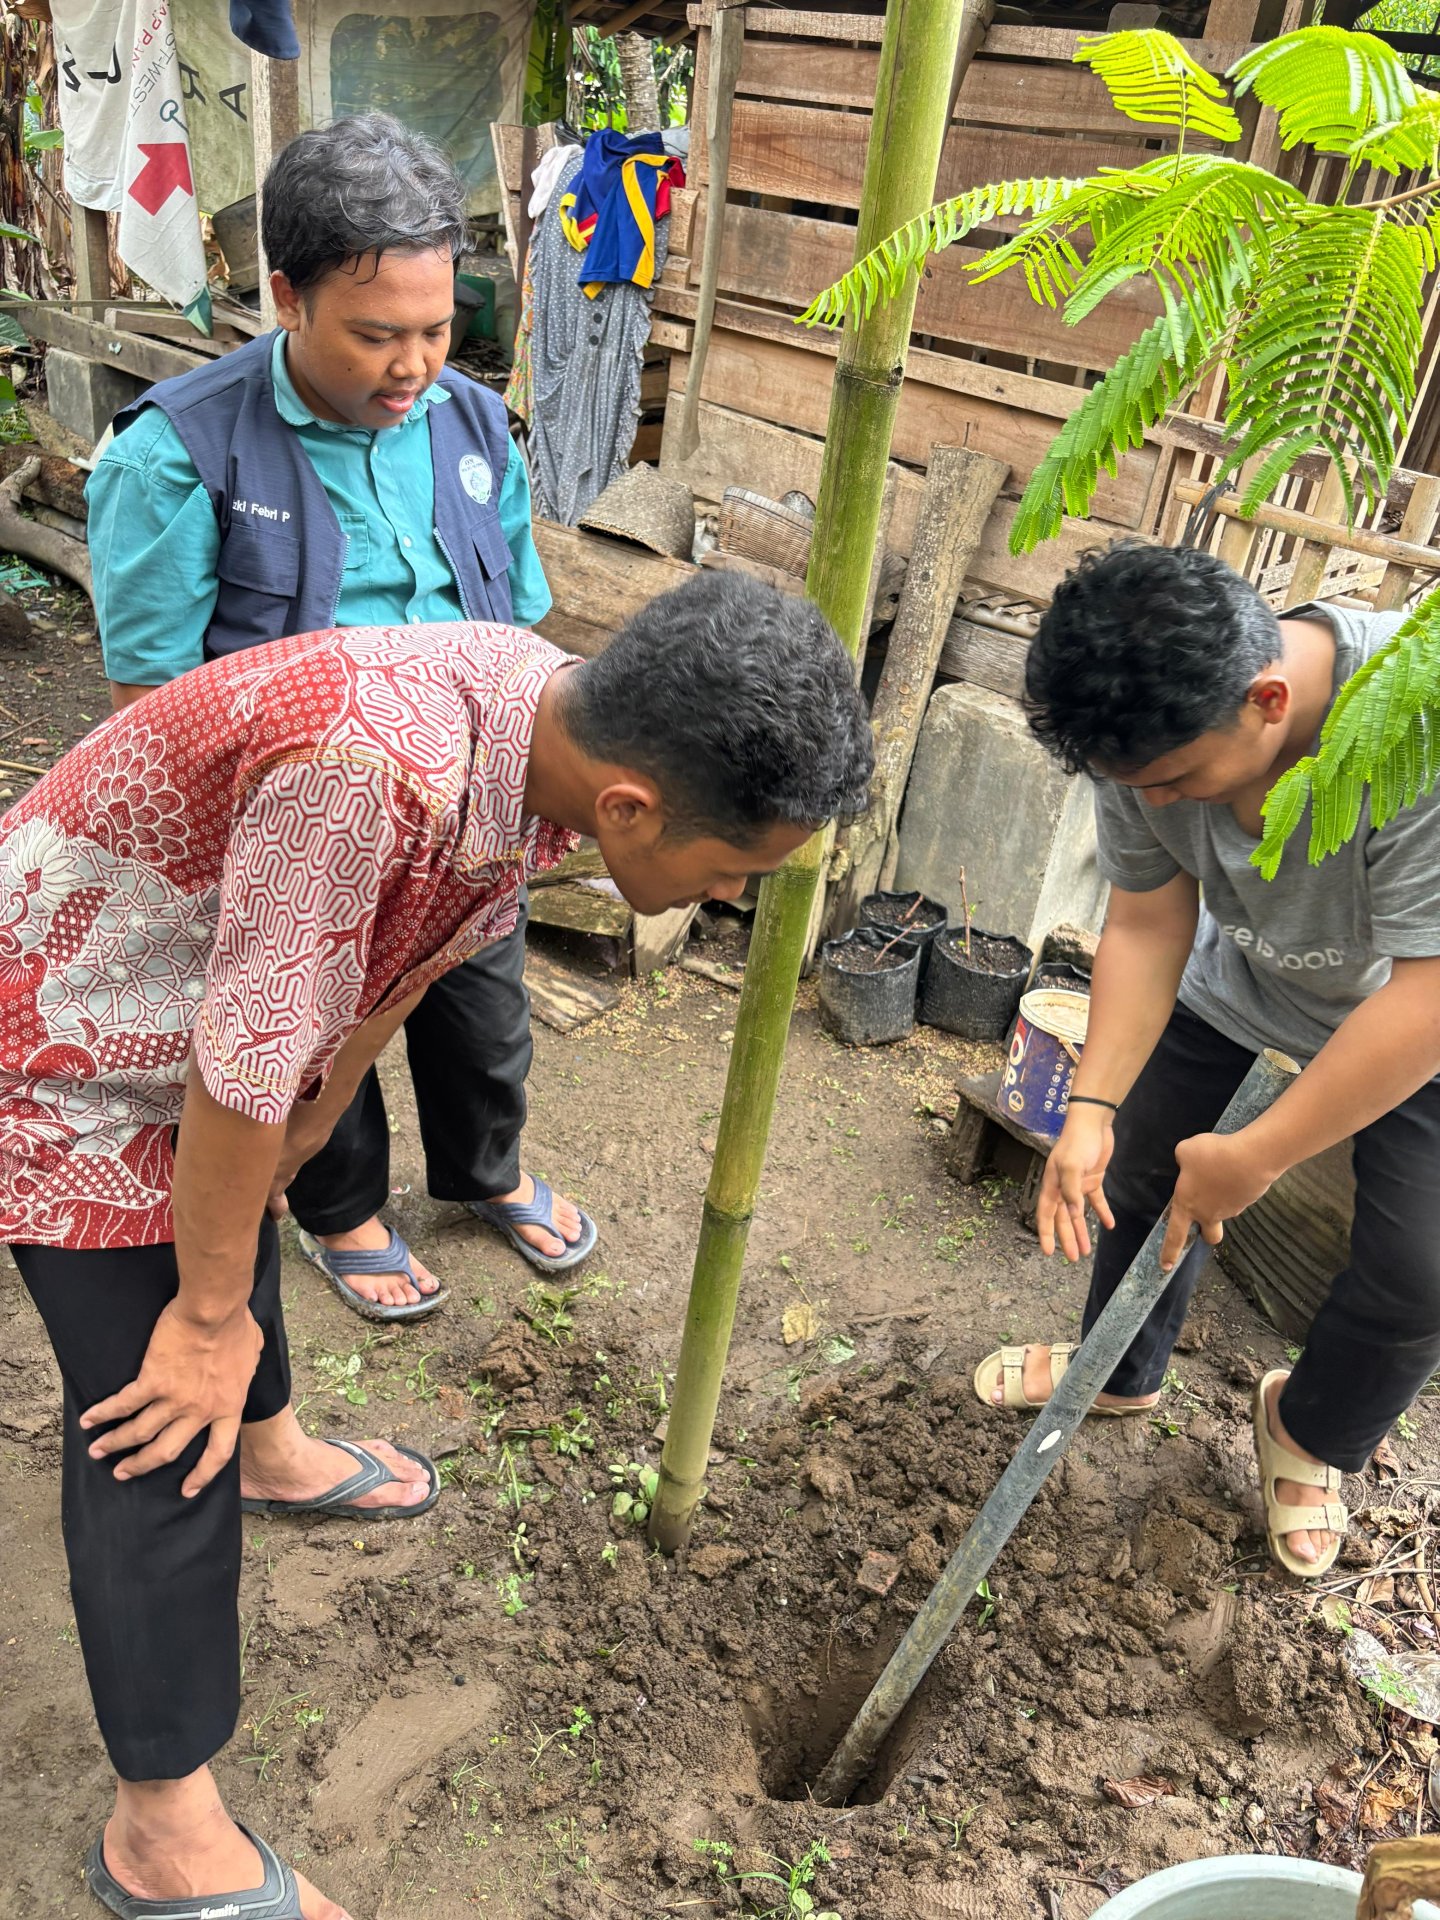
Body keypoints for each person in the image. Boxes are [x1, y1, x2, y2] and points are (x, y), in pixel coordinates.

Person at [0, 571, 874, 1920]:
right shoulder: (373, 769)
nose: (740, 896)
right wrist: (210, 1314)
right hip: (67, 1035)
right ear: (637, 807)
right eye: (739, 872)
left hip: (202, 1014)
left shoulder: (550, 721)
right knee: (163, 1399)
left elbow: (390, 962)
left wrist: (322, 1101)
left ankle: (277, 1453)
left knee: (232, 1235)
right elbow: (236, 1070)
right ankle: (160, 1833)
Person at [88, 110, 590, 1323]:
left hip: (471, 801)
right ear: (285, 296)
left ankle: (487, 1172)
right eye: (376, 336)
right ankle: (341, 1206)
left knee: (484, 1000)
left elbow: (519, 613)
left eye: (434, 331)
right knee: (314, 1024)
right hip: (305, 821)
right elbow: (151, 709)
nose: (413, 366)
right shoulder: (178, 455)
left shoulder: (470, 425)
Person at [973, 541, 1440, 1580]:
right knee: (1137, 1162)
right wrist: (1090, 1106)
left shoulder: (1421, 730)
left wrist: (1261, 1152)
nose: (1164, 805)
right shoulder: (1147, 742)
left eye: (1178, 782)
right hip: (1250, 982)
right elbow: (1145, 918)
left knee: (1421, 1276)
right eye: (1141, 788)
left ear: (1269, 699)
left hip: (1416, 1014)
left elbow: (1426, 995)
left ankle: (1311, 1436)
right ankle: (1119, 1373)